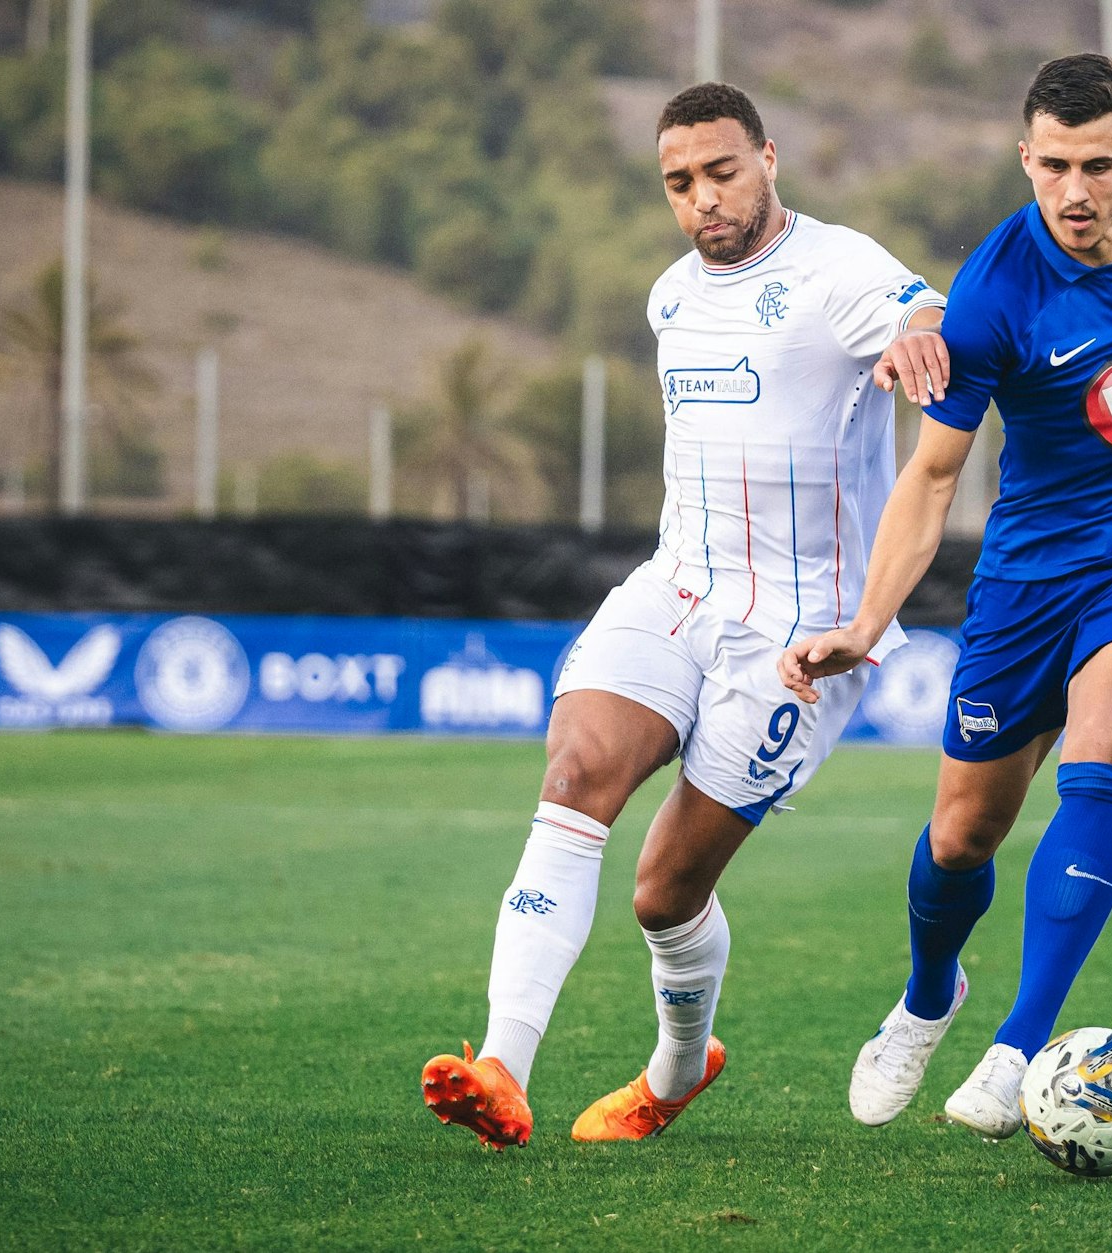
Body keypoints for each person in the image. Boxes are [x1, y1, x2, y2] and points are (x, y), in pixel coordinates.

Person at [420, 82, 948, 1149]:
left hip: (800, 632)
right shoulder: (667, 297)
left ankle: (674, 1067)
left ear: (766, 156)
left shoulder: (834, 267)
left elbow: (915, 308)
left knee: (663, 892)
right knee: (573, 776)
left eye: (720, 171)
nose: (702, 198)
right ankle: (500, 1066)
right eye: (678, 183)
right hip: (678, 583)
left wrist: (918, 340)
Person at [780, 52, 1112, 1140]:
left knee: (1101, 750)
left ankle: (1015, 1050)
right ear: (1024, 160)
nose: (1075, 192)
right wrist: (866, 624)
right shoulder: (995, 293)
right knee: (960, 836)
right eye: (1053, 166)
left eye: (1097, 165)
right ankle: (925, 998)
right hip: (1028, 578)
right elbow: (932, 474)